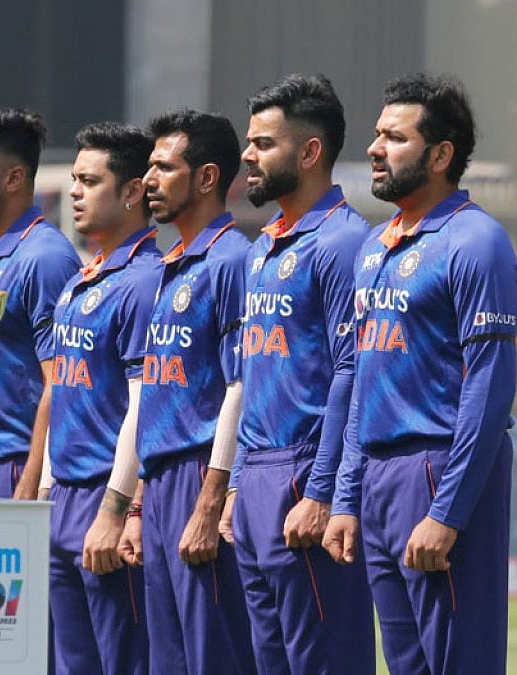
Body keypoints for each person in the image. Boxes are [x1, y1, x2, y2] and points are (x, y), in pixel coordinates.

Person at [324, 73, 516, 674]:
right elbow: (361, 379)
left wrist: (447, 511)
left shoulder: (475, 241)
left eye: (395, 137)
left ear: (440, 154)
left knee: (457, 661)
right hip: (378, 482)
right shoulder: (376, 246)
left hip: (437, 471)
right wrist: (347, 495)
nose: (375, 148)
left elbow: (489, 386)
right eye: (377, 135)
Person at [223, 73, 375, 674]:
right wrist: (236, 483)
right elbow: (251, 378)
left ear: (309, 152)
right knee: (270, 662)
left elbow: (352, 372)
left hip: (304, 472)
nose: (247, 154)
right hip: (257, 477)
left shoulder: (342, 244)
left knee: (322, 660)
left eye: (263, 143)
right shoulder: (263, 245)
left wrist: (322, 492)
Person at [128, 109, 254, 674]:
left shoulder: (230, 260)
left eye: (163, 168)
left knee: (212, 653)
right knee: (169, 658)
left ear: (205, 178)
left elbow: (240, 384)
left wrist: (210, 500)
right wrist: (135, 502)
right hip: (159, 481)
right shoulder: (168, 265)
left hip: (199, 472)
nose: (148, 181)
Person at [40, 122, 158, 674]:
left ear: (133, 191)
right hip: (63, 495)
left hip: (103, 497)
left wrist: (118, 507)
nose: (75, 192)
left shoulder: (143, 282)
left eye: (90, 181)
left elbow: (143, 404)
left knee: (122, 662)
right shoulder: (80, 280)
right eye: (75, 179)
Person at [0, 107, 78, 499]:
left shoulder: (45, 258)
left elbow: (59, 383)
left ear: (14, 178)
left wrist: (31, 483)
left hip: (14, 466)